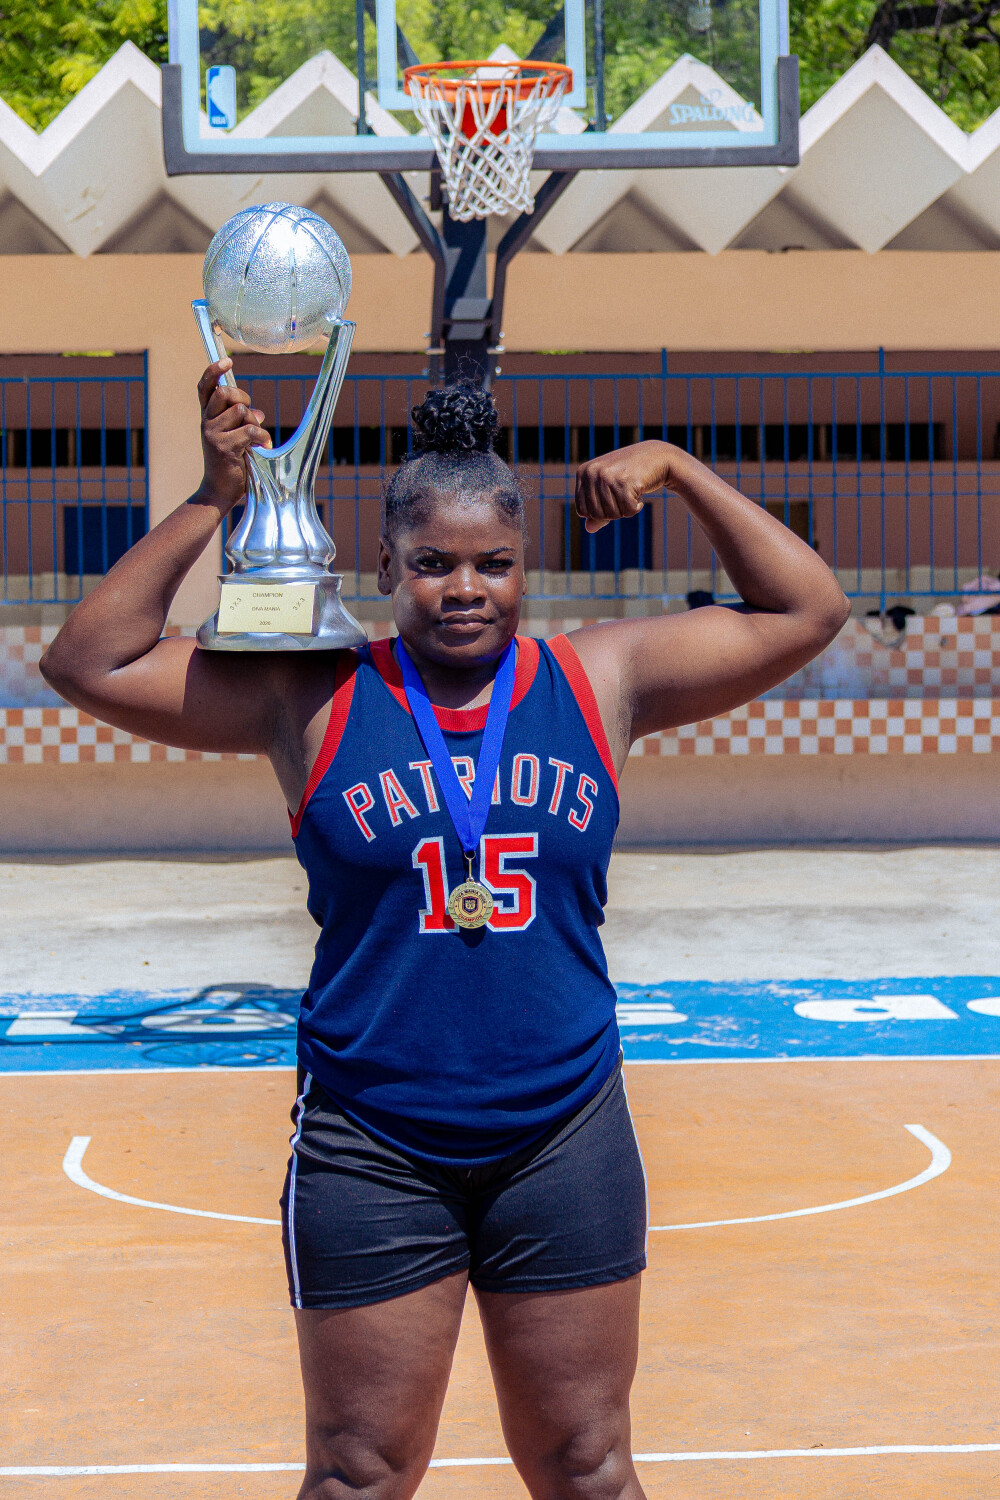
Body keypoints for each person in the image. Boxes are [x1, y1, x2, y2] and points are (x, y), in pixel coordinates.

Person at [40, 363, 849, 1500]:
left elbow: (809, 609)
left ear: (526, 567)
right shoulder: (308, 694)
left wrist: (677, 469)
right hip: (373, 1142)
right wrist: (216, 497)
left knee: (588, 1466)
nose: (464, 589)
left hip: (562, 1134)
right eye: (431, 563)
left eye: (493, 563)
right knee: (359, 1472)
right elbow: (87, 661)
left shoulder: (600, 680)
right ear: (383, 568)